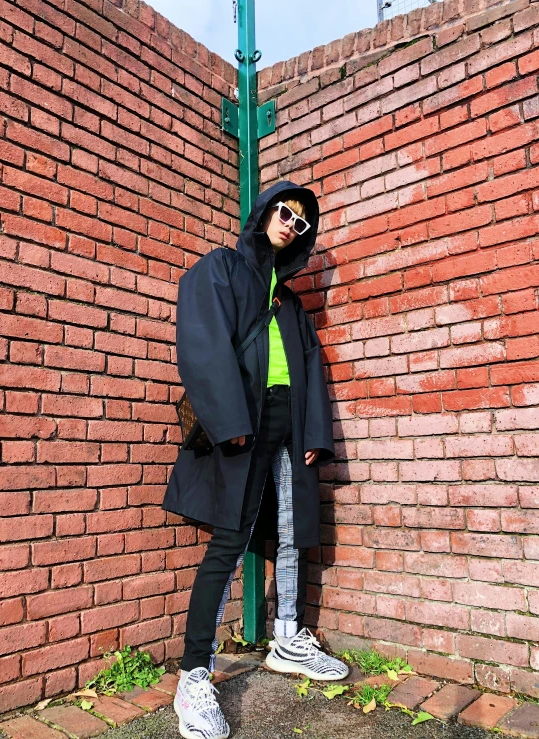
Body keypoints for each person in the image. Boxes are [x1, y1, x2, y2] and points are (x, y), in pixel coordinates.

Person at [162, 180, 349, 739]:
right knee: (227, 542)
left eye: (303, 222)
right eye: (286, 212)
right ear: (264, 212)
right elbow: (202, 341)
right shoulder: (220, 269)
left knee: (294, 534)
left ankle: (288, 637)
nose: (292, 223)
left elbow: (312, 372)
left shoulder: (292, 306)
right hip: (243, 422)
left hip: (290, 429)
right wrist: (229, 423)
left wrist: (313, 433)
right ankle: (195, 676)